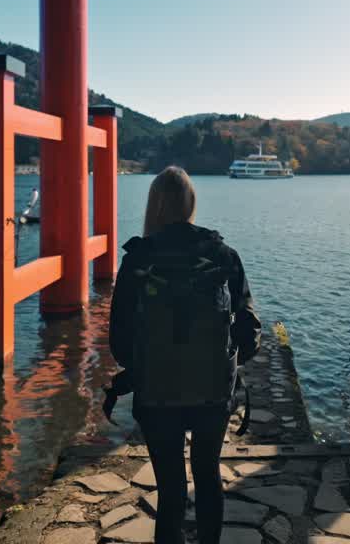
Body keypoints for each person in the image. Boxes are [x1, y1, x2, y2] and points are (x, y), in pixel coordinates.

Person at [108, 166, 261, 544]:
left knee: (172, 489)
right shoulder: (223, 254)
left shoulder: (138, 260)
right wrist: (225, 363)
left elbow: (119, 343)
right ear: (192, 202)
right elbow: (249, 331)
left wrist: (147, 362)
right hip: (212, 391)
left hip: (156, 393)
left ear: (153, 205)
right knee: (208, 477)